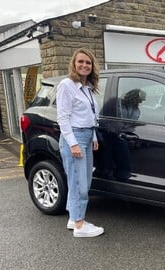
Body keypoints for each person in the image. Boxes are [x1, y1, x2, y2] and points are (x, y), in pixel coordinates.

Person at [56, 47, 104, 238]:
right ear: (74, 64)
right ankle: (80, 225)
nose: (84, 65)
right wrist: (73, 144)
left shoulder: (88, 88)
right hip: (73, 137)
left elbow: (90, 115)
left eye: (88, 62)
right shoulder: (66, 85)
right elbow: (63, 118)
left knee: (84, 181)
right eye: (81, 62)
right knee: (79, 184)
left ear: (92, 67)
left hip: (86, 135)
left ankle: (73, 218)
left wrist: (92, 136)